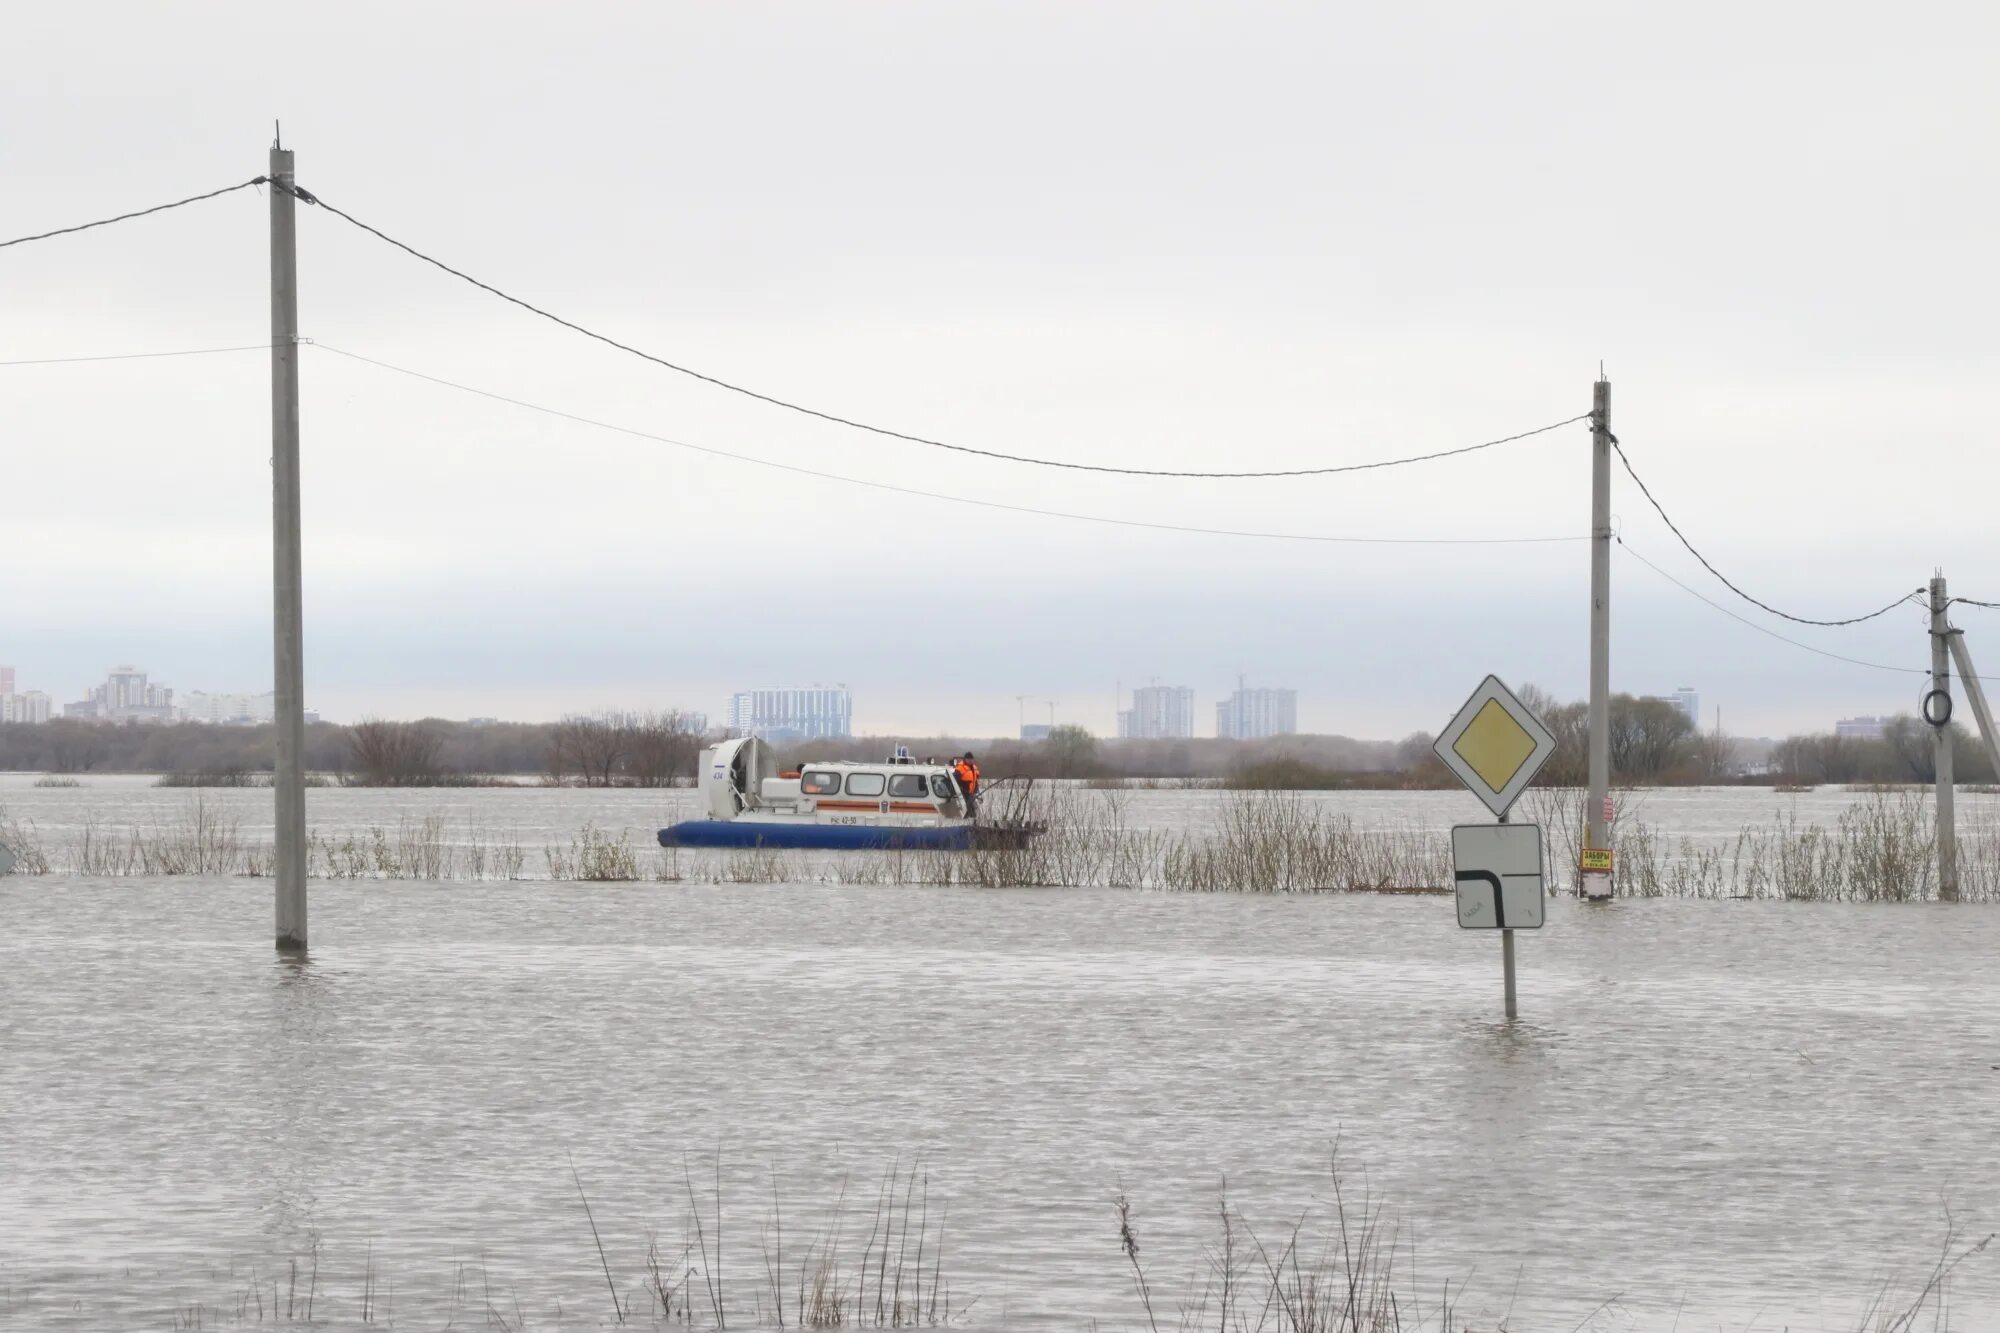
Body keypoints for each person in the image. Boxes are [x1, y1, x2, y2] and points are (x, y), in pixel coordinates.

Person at [953, 752, 981, 817]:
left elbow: (976, 779)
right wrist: (961, 789)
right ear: (965, 759)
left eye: (971, 759)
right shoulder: (960, 768)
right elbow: (954, 780)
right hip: (964, 794)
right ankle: (967, 821)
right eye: (968, 759)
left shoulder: (975, 768)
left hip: (972, 793)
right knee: (966, 810)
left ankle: (973, 820)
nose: (970, 761)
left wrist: (976, 789)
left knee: (974, 809)